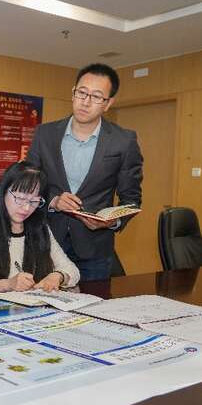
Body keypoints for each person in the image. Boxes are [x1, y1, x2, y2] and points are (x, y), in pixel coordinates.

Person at [27, 63, 143, 281]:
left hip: (95, 251)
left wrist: (112, 222)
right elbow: (27, 183)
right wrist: (53, 201)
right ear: (73, 93)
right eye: (82, 92)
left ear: (108, 103)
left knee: (93, 302)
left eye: (96, 96)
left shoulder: (123, 141)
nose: (86, 102)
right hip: (46, 244)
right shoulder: (45, 134)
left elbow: (131, 199)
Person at [0, 162, 79, 297]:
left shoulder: (41, 229)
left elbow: (72, 270)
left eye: (34, 201)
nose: (26, 208)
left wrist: (57, 276)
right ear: (3, 192)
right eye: (20, 198)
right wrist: (8, 284)